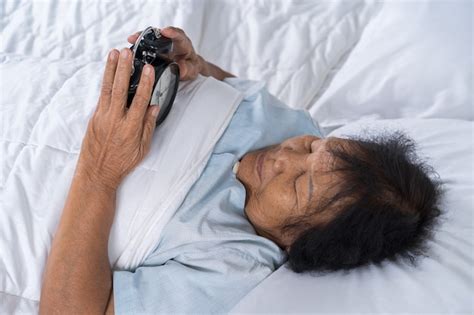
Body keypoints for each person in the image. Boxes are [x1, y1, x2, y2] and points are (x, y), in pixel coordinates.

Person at [39, 27, 442, 314]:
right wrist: (194, 65)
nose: (286, 155)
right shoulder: (293, 124)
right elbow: (231, 95)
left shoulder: (230, 268)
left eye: (301, 184)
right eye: (316, 147)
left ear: (297, 242)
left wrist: (99, 170)